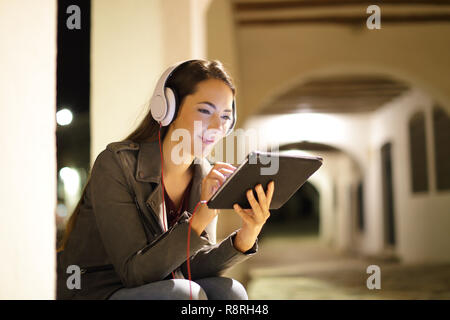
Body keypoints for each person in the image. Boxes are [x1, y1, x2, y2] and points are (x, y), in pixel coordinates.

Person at [56, 59, 275, 300]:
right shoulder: (116, 164)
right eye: (204, 111)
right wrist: (198, 220)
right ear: (167, 108)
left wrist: (247, 235)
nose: (217, 126)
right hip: (97, 291)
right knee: (186, 294)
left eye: (225, 116)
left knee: (229, 291)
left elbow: (191, 266)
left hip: (159, 286)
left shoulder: (203, 173)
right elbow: (134, 273)